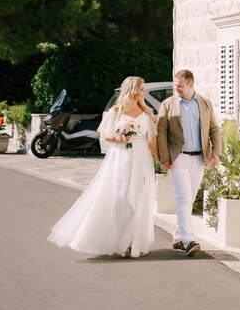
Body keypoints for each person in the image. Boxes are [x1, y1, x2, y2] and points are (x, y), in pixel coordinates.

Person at [48, 76, 159, 258]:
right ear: (132, 90)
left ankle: (130, 242)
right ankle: (117, 241)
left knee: (138, 199)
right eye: (141, 89)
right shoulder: (116, 111)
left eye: (144, 89)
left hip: (141, 159)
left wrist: (161, 161)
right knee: (121, 198)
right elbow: (105, 135)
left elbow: (151, 141)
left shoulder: (147, 113)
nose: (143, 92)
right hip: (121, 157)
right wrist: (119, 138)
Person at [157, 69, 221, 256]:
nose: (176, 88)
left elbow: (214, 129)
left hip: (200, 158)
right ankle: (188, 240)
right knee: (184, 197)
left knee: (189, 198)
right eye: (175, 85)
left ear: (191, 84)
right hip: (179, 158)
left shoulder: (205, 103)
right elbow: (161, 131)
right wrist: (164, 157)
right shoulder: (167, 104)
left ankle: (178, 238)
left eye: (180, 86)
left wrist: (216, 152)